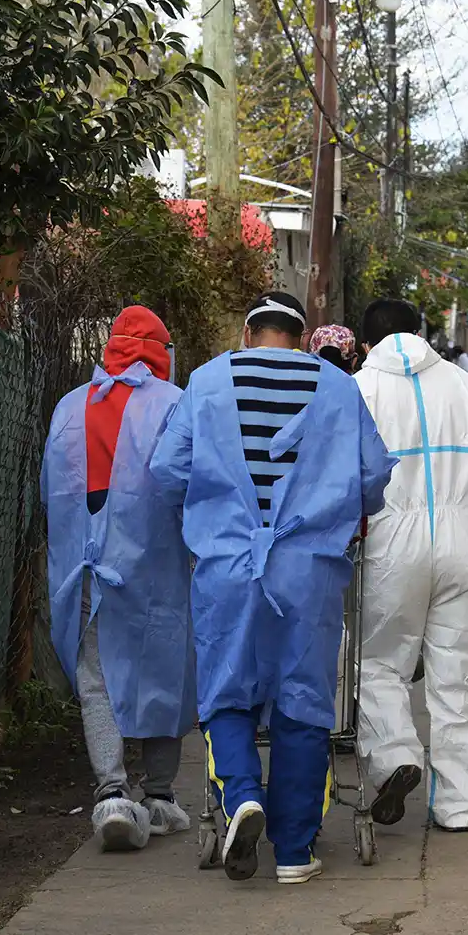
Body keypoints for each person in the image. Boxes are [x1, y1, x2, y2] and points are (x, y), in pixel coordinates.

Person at [150, 291, 395, 884]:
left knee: (227, 695)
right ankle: (292, 850)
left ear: (248, 331)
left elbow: (166, 470)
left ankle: (241, 797)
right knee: (303, 702)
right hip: (306, 571)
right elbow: (372, 476)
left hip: (228, 566)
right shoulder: (337, 386)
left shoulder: (207, 383)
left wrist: (214, 510)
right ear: (299, 334)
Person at [42, 305, 196, 852]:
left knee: (95, 677)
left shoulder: (68, 407)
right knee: (166, 671)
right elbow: (191, 484)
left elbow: (51, 495)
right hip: (156, 567)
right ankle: (158, 795)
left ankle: (110, 793)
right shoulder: (176, 405)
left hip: (85, 567)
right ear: (161, 352)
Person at [352, 299, 468, 832]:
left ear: (364, 342)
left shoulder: (359, 389)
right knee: (458, 678)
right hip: (461, 546)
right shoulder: (461, 386)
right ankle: (459, 806)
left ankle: (397, 756)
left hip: (391, 550)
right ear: (421, 332)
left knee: (375, 665)